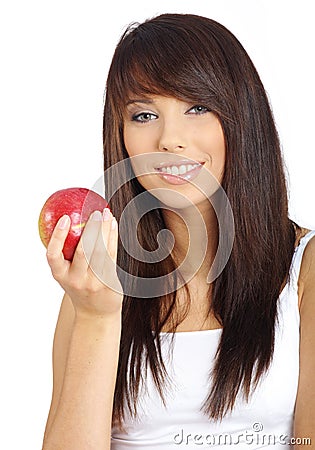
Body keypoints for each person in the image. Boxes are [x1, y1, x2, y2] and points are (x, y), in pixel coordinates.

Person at [41, 13, 315, 450]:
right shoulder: (95, 276)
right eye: (145, 114)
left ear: (242, 117)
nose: (170, 138)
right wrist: (97, 316)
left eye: (198, 107)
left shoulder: (305, 268)